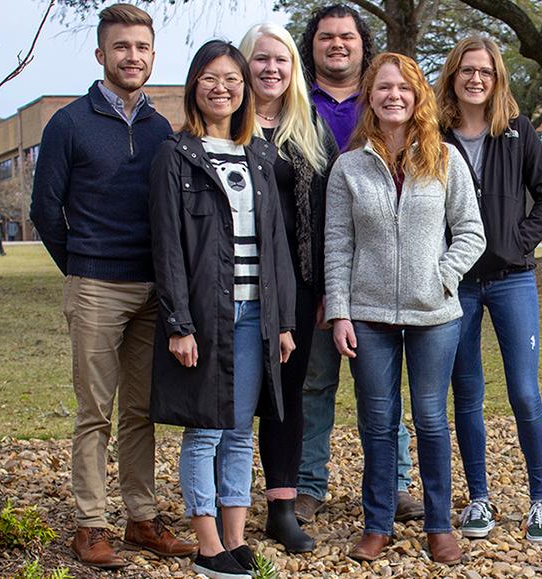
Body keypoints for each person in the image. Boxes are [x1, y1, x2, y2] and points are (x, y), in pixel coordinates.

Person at [29, 4, 195, 570]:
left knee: (141, 411)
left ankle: (141, 519)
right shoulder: (68, 124)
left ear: (153, 55)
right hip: (96, 285)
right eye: (121, 47)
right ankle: (90, 525)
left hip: (152, 289)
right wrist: (79, 266)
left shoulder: (160, 129)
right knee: (94, 412)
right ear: (101, 54)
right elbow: (44, 211)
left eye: (142, 48)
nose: (133, 57)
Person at [324, 52, 486, 565]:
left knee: (432, 420)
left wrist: (440, 274)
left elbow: (472, 233)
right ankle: (378, 524)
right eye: (383, 88)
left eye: (404, 88)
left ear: (418, 98)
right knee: (376, 422)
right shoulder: (349, 167)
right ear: (369, 97)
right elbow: (337, 245)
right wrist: (340, 312)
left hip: (433, 316)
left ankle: (439, 525)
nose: (394, 96)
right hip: (368, 316)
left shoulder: (445, 158)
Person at [148, 39, 298, 578]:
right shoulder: (176, 154)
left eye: (232, 78)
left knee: (239, 431)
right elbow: (167, 246)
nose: (222, 87)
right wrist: (179, 323)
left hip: (257, 315)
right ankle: (208, 546)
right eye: (211, 78)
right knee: (205, 430)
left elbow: (276, 243)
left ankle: (236, 541)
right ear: (194, 86)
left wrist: (282, 321)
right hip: (207, 317)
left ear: (245, 89)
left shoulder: (260, 155)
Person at [293, 4, 425, 526]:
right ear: (314, 46)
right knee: (315, 384)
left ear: (361, 43)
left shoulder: (384, 103)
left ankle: (395, 486)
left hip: (378, 275)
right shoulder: (298, 104)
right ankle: (308, 486)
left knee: (382, 387)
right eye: (326, 37)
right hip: (313, 264)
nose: (337, 45)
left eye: (347, 36)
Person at [438, 36, 542, 544]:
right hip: (457, 285)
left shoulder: (516, 131)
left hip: (513, 280)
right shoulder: (436, 134)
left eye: (485, 72)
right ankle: (479, 499)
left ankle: (540, 500)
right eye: (467, 70)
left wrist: (517, 243)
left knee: (524, 392)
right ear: (453, 75)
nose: (475, 79)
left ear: (497, 79)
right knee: (466, 393)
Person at [237, 22, 339, 553]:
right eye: (260, 59)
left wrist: (323, 287)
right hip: (233, 283)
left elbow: (323, 217)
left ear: (293, 69)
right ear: (244, 64)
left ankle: (281, 509)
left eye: (281, 60)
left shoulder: (310, 129)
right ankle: (221, 510)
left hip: (296, 287)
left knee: (286, 397)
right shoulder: (225, 124)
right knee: (232, 397)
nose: (271, 69)